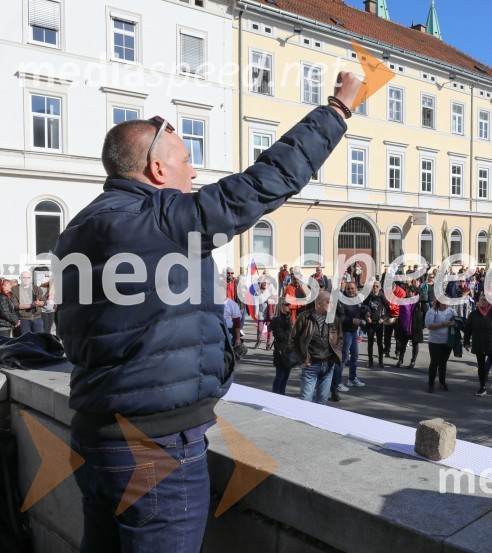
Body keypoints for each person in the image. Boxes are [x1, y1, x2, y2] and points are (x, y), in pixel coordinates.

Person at [54, 73, 358, 551]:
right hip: (154, 446)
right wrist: (337, 109)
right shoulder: (162, 219)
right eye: (186, 162)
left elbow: (70, 335)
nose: (193, 175)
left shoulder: (75, 230)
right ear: (157, 170)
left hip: (93, 435)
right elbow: (265, 183)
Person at [288, 291, 344, 405]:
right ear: (318, 304)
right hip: (311, 365)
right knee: (306, 402)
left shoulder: (334, 319)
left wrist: (334, 356)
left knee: (322, 402)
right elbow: (292, 341)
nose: (332, 305)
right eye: (329, 302)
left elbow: (340, 339)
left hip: (328, 365)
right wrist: (303, 358)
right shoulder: (304, 317)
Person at [464, 295, 492, 397]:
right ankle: (482, 386)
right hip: (479, 343)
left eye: (485, 300)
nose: (482, 301)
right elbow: (468, 329)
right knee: (481, 367)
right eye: (481, 300)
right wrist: (466, 342)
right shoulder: (473, 314)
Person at [338, 281, 368, 390]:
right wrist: (352, 320)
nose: (350, 290)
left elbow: (363, 308)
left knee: (355, 356)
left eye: (352, 288)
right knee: (343, 358)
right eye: (348, 289)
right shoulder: (342, 301)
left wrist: (367, 313)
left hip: (354, 332)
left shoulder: (357, 300)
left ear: (355, 289)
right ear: (346, 290)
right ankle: (338, 382)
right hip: (345, 332)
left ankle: (352, 379)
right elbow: (340, 318)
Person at [425, 298, 457, 392]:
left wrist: (455, 323)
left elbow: (458, 322)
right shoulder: (432, 311)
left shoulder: (452, 311)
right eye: (443, 303)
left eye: (446, 303)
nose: (445, 305)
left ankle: (442, 382)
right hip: (435, 341)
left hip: (447, 341)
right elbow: (429, 325)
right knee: (434, 363)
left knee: (443, 363)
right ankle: (431, 384)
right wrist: (443, 324)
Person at [270, 298, 295, 395]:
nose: (289, 306)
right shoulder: (277, 320)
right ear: (281, 306)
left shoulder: (287, 317)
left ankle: (282, 396)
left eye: (289, 304)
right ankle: (275, 395)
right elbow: (280, 336)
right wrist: (291, 332)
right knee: (280, 376)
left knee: (285, 377)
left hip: (288, 351)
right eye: (287, 304)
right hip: (281, 352)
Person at [363, 281, 390, 368]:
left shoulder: (381, 297)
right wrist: (366, 315)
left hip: (378, 323)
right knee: (370, 343)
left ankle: (381, 361)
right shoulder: (369, 296)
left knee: (379, 343)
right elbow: (363, 307)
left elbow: (388, 310)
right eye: (374, 286)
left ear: (380, 288)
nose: (375, 288)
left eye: (377, 286)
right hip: (370, 323)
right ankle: (370, 362)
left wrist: (383, 317)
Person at [395, 286, 424, 368]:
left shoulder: (419, 302)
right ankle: (400, 360)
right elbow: (401, 312)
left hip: (415, 326)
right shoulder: (404, 301)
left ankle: (413, 361)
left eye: (410, 291)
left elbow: (425, 312)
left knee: (415, 344)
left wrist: (422, 324)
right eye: (407, 291)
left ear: (414, 293)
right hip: (405, 326)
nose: (408, 292)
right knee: (403, 344)